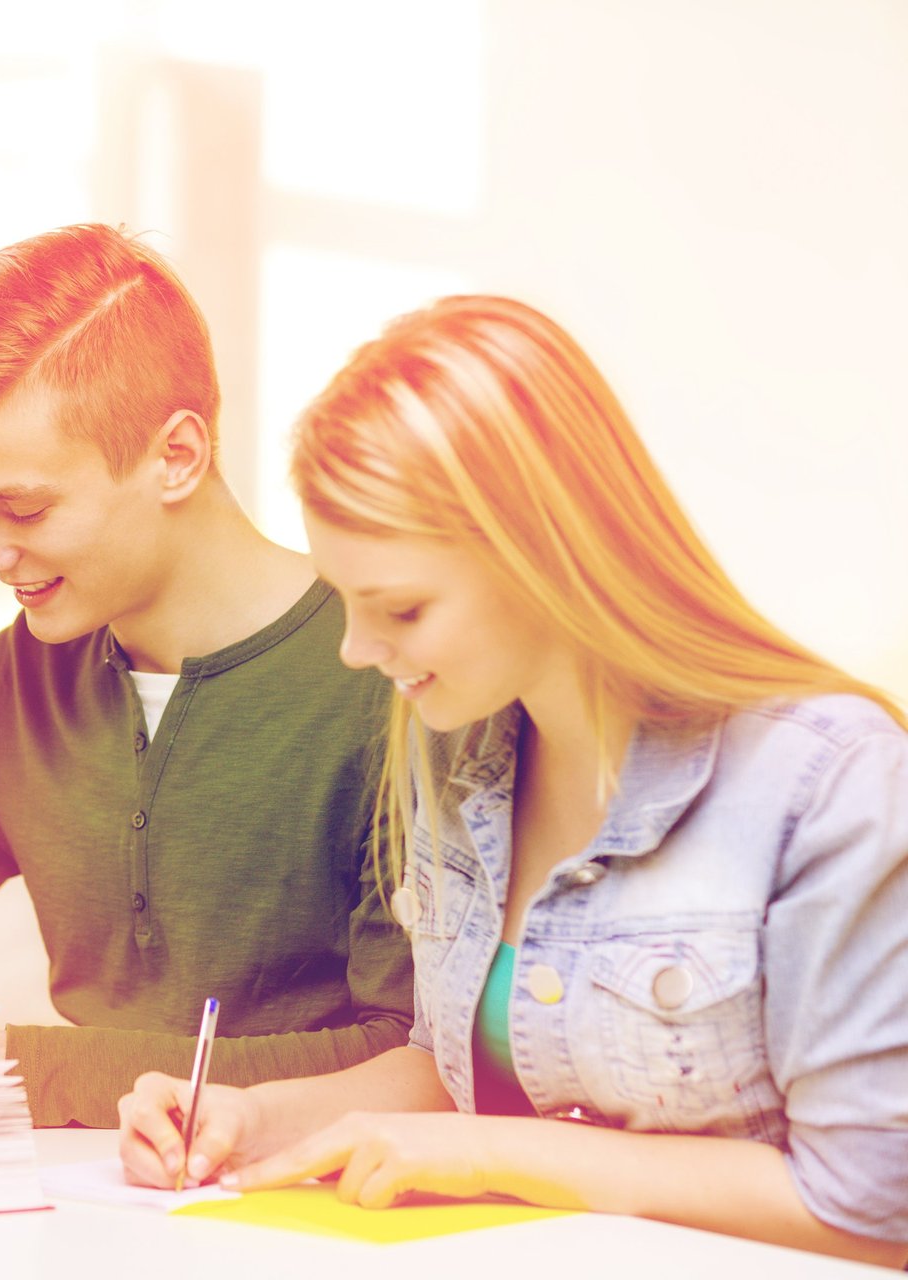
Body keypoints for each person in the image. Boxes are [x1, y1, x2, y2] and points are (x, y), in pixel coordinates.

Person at [115, 295, 908, 1266]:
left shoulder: (828, 778)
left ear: (544, 553)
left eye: (399, 608)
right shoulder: (457, 746)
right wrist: (253, 1117)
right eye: (348, 604)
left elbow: (869, 1206)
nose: (359, 651)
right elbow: (463, 1073)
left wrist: (498, 1150)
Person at [0, 224, 411, 1127]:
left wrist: (17, 1067)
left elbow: (404, 1056)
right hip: (86, 1200)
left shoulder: (392, 682)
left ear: (177, 456)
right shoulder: (15, 684)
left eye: (21, 507)